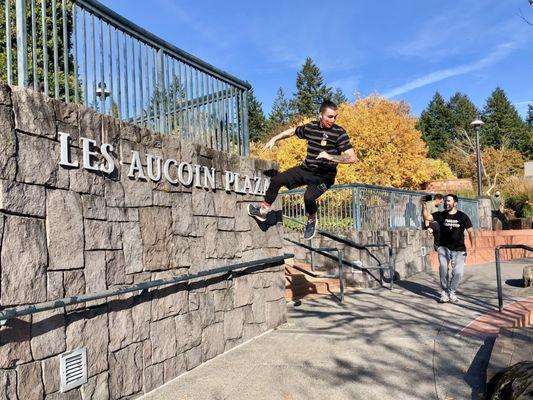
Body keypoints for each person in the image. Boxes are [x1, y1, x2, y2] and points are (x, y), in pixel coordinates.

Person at [248, 100, 356, 240]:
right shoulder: (311, 127)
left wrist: (330, 157)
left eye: (335, 117)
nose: (333, 120)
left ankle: (311, 220)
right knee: (276, 180)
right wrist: (275, 138)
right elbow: (293, 131)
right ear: (321, 115)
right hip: (306, 170)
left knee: (308, 197)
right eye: (330, 116)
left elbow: (352, 157)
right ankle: (263, 212)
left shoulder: (339, 133)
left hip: (324, 177)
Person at [422, 194, 476, 303]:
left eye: (449, 201)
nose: (446, 203)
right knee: (443, 268)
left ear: (455, 203)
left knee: (458, 272)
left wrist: (473, 246)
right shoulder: (441, 215)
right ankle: (444, 291)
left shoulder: (462, 216)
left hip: (459, 249)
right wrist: (423, 207)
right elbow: (427, 217)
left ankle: (451, 291)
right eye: (445, 201)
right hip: (444, 247)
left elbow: (470, 231)